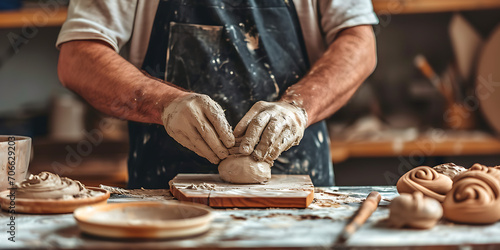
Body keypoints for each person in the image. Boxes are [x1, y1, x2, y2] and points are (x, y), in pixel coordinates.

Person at [57, 0, 378, 188]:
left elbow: (359, 42)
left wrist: (298, 108)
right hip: (167, 198)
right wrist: (165, 104)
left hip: (298, 186)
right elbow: (78, 57)